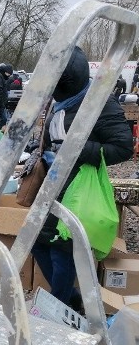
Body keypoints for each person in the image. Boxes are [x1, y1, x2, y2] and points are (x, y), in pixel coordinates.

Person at [31, 46, 133, 311]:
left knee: (62, 250)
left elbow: (123, 147)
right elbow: (51, 137)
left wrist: (77, 149)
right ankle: (71, 302)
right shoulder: (59, 102)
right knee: (37, 243)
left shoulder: (101, 103)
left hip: (78, 187)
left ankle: (56, 309)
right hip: (51, 185)